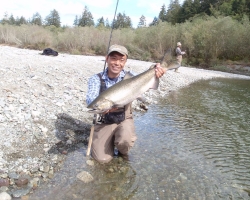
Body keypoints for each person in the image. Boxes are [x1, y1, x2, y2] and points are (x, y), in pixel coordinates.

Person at [86, 44, 166, 164]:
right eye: (113, 58)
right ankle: (110, 140)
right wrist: (100, 107)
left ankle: (121, 148)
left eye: (121, 60)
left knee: (125, 141)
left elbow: (147, 73)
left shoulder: (130, 75)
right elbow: (91, 100)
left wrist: (156, 68)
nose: (117, 63)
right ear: (106, 58)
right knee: (101, 160)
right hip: (104, 121)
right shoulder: (96, 79)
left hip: (124, 118)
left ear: (125, 62)